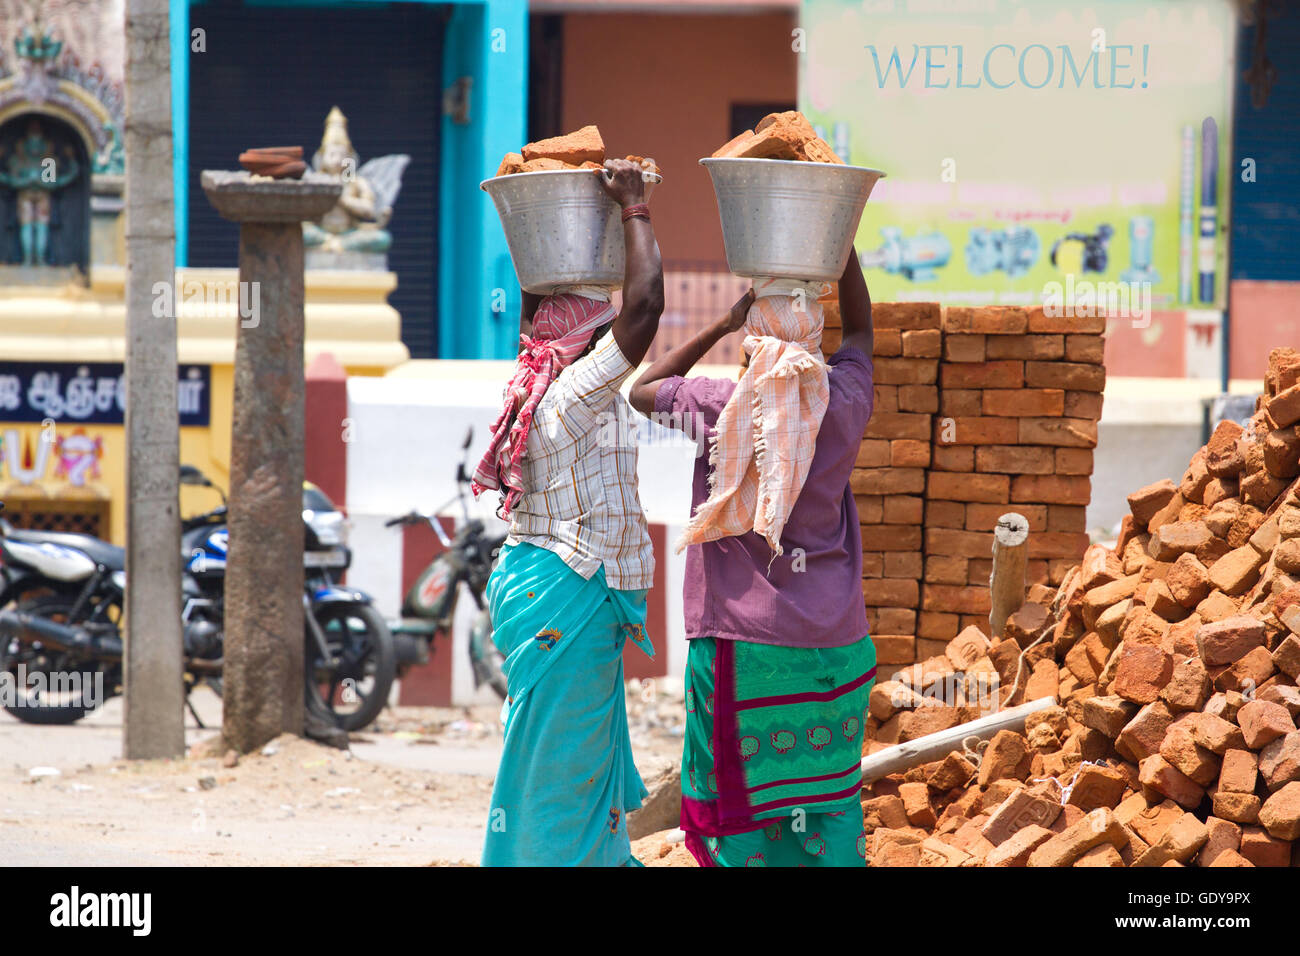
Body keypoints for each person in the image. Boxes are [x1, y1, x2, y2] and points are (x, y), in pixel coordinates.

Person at [629, 248, 877, 867]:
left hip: (746, 649)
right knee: (826, 802)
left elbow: (642, 390)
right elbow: (865, 331)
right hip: (835, 649)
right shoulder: (845, 400)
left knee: (743, 811)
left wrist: (720, 323)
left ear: (750, 346)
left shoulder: (722, 408)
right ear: (818, 344)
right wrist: (839, 249)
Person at [472, 158, 664, 867]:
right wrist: (634, 208)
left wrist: (540, 237)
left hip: (547, 588)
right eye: (603, 332)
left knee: (559, 753)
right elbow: (646, 309)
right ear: (586, 340)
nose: (619, 345)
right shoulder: (573, 394)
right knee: (561, 765)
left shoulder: (536, 380)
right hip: (566, 591)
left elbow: (546, 309)